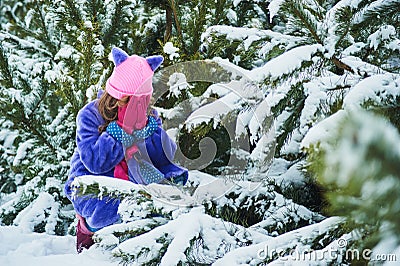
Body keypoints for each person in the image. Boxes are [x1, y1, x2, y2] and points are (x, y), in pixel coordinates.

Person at [64, 47, 188, 253]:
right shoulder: (90, 115)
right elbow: (94, 162)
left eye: (141, 101)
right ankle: (88, 230)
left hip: (133, 175)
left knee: (161, 197)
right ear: (116, 95)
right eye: (129, 100)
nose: (134, 106)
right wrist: (120, 130)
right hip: (93, 178)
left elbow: (164, 156)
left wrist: (149, 131)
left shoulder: (148, 115)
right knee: (106, 210)